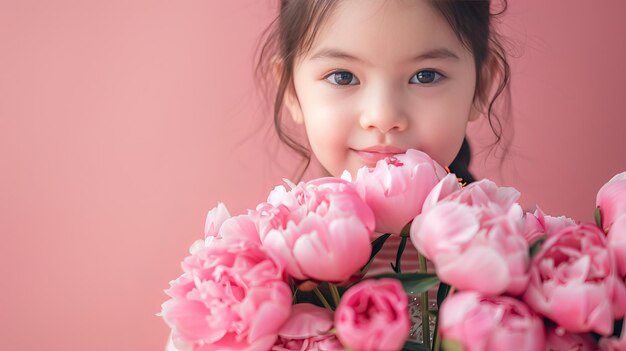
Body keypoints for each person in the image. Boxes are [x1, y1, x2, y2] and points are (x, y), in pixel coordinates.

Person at [167, 0, 512, 349]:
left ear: (480, 86)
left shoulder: (517, 262)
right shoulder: (245, 280)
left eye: (425, 75)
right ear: (291, 90)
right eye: (343, 77)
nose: (382, 115)